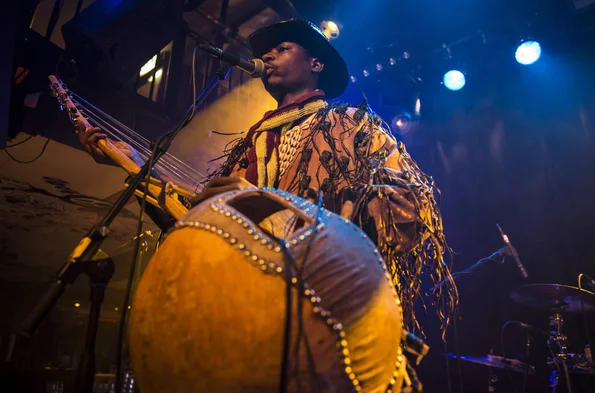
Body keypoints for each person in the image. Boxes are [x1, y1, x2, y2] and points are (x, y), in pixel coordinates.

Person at [78, 19, 456, 342]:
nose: (269, 56)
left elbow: (407, 212)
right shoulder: (252, 144)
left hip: (321, 318)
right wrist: (135, 167)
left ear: (315, 63)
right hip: (248, 314)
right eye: (268, 51)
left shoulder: (352, 127)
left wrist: (273, 209)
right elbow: (198, 225)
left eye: (282, 47)